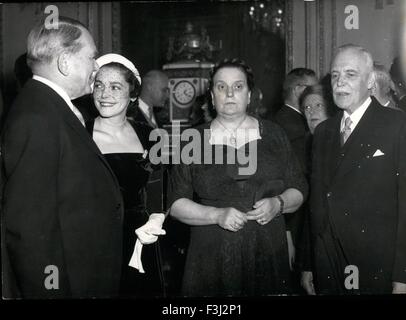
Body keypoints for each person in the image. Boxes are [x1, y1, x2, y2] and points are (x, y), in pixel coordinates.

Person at [1, 17, 124, 298]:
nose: (96, 66)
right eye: (92, 57)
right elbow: (30, 230)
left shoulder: (48, 107)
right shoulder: (37, 117)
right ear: (65, 62)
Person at [169, 58, 308, 296]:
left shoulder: (274, 134)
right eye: (221, 87)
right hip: (211, 254)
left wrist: (278, 203)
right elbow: (175, 204)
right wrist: (216, 215)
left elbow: (299, 189)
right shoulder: (192, 139)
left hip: (267, 250)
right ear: (212, 96)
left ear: (250, 94)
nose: (230, 93)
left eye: (238, 86)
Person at [301, 44, 406, 295]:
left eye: (350, 74)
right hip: (327, 260)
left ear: (370, 81)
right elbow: (315, 199)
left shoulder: (397, 124)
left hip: (375, 261)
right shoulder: (324, 132)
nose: (340, 83)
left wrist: (402, 274)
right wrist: (307, 262)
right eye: (335, 76)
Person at [89, 53, 166, 297]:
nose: (104, 94)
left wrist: (156, 219)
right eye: (99, 85)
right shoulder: (79, 133)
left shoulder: (149, 134)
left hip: (139, 238)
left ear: (133, 94)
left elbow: (157, 189)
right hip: (93, 239)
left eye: (115, 87)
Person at [274, 68, 318, 279]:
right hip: (295, 224)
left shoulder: (281, 120)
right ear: (297, 89)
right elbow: (295, 183)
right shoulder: (296, 128)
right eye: (312, 88)